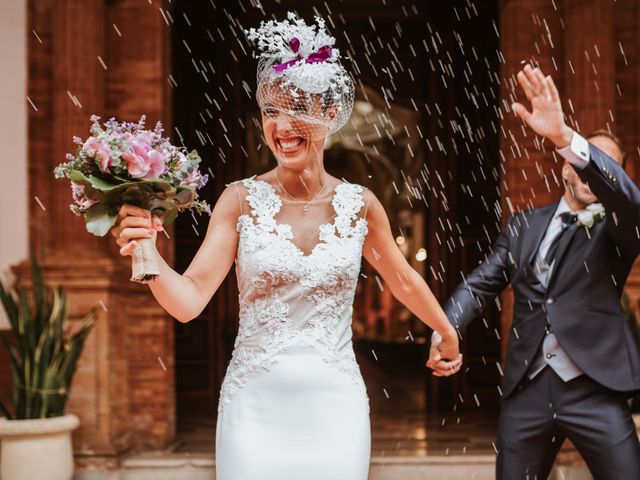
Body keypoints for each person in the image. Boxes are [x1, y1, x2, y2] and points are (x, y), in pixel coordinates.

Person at [111, 13, 461, 480]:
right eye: (271, 111)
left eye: (298, 109)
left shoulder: (361, 205)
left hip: (336, 408)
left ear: (329, 116)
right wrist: (150, 259)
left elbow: (402, 278)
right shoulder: (238, 200)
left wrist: (446, 330)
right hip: (253, 409)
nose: (282, 125)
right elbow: (189, 302)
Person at [428, 64, 640, 479]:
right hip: (527, 388)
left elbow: (629, 201)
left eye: (602, 166)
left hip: (595, 388)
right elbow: (480, 284)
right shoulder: (522, 225)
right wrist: (445, 328)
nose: (589, 172)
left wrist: (565, 136)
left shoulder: (620, 229)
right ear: (564, 167)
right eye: (581, 162)